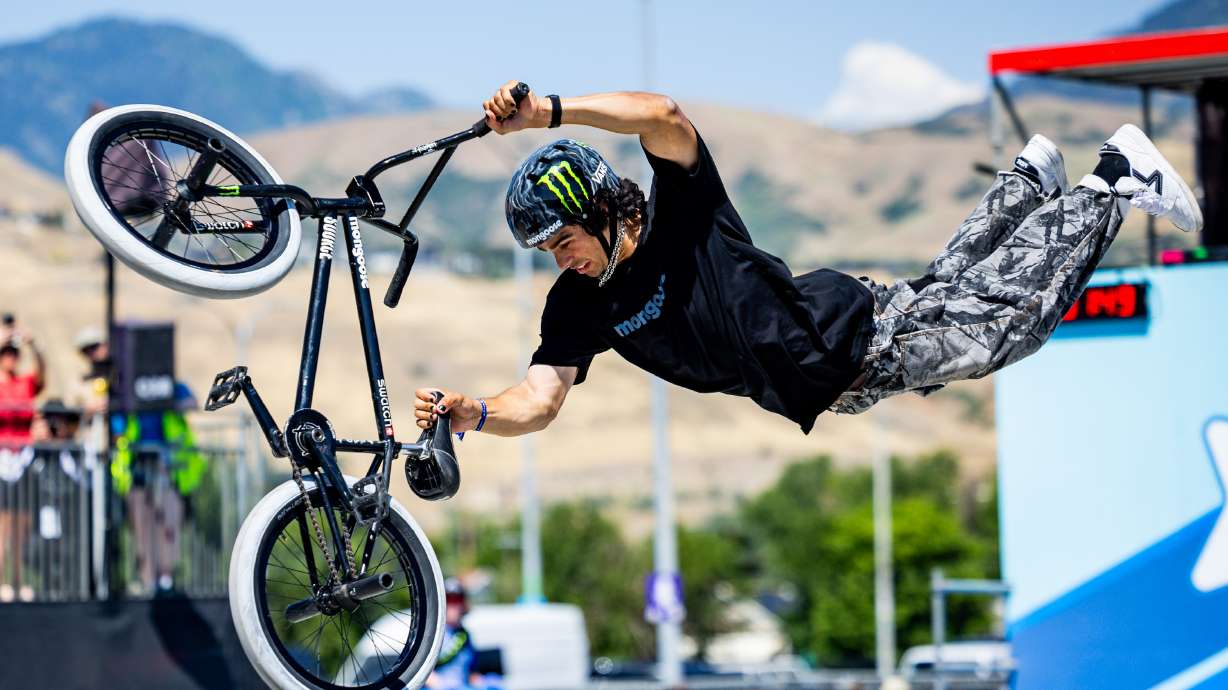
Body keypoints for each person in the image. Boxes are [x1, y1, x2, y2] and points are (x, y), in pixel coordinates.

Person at [414, 82, 1201, 436]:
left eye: (563, 240)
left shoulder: (681, 213)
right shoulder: (578, 305)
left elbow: (661, 114)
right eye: (548, 252)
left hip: (843, 343)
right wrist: (474, 413)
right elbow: (540, 397)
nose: (562, 260)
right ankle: (1029, 182)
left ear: (593, 207)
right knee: (958, 284)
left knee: (1009, 325)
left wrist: (546, 113)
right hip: (834, 357)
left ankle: (1112, 181)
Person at [112, 382, 206, 593]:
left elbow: (192, 403)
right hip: (136, 467)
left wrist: (170, 401)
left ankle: (166, 578)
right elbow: (117, 430)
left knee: (169, 524)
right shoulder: (128, 387)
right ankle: (148, 580)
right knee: (143, 528)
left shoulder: (170, 385)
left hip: (170, 468)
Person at [426, 578, 479, 690]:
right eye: (449, 600)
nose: (453, 606)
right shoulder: (430, 635)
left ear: (464, 604)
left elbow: (472, 675)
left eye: (457, 600)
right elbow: (420, 670)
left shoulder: (465, 636)